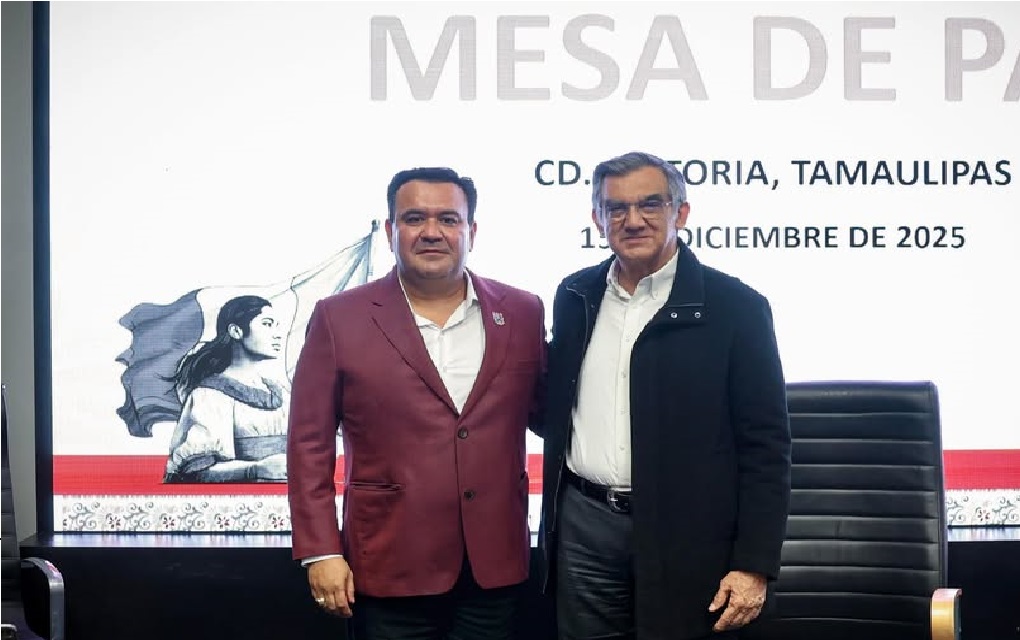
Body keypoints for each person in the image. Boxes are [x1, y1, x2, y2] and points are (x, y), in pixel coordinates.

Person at [539, 151, 792, 640]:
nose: (633, 220)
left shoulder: (736, 308)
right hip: (585, 528)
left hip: (688, 534)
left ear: (681, 213)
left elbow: (766, 446)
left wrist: (754, 563)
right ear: (597, 219)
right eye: (616, 208)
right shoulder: (575, 295)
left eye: (650, 204)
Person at [286, 167, 546, 640]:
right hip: (388, 562)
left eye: (448, 219)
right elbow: (308, 445)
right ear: (390, 231)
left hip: (495, 564)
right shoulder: (338, 317)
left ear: (471, 231)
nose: (431, 231)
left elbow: (548, 413)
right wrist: (321, 550)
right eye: (413, 218)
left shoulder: (523, 312)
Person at [164, 295, 289, 483]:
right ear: (236, 331)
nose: (278, 334)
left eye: (278, 326)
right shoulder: (210, 395)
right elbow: (197, 472)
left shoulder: (281, 392)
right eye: (267, 324)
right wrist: (255, 470)